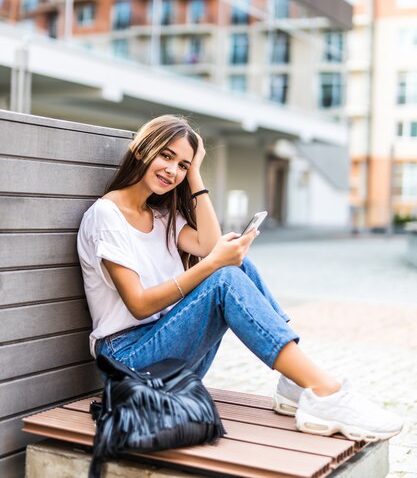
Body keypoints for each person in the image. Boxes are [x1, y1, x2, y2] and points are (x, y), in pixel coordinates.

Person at [77, 114, 403, 442]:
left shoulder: (161, 216)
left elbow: (207, 244)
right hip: (127, 361)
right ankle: (326, 393)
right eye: (166, 156)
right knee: (224, 279)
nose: (173, 171)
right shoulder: (107, 216)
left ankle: (295, 382)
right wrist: (214, 263)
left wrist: (197, 173)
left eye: (183, 165)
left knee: (236, 267)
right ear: (141, 151)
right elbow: (138, 304)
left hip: (165, 357)